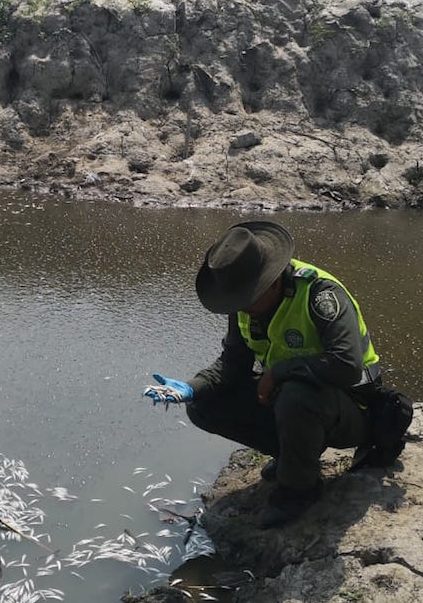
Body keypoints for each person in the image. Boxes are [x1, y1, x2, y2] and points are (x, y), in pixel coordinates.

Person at [144, 221, 390, 528]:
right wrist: (192, 388)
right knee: (204, 405)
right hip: (295, 404)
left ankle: (300, 490)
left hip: (352, 410)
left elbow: (347, 365)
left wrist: (279, 372)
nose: (242, 309)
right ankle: (294, 459)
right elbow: (233, 366)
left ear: (271, 281)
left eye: (247, 300)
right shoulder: (244, 306)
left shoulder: (320, 296)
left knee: (296, 395)